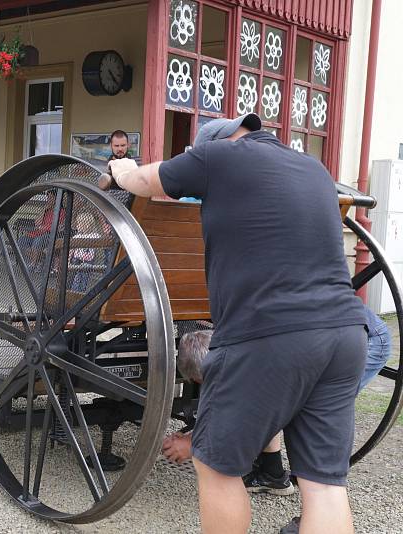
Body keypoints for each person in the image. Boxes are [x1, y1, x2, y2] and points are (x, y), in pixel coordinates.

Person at [107, 112, 367, 534]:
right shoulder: (314, 168)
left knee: (215, 465)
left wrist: (123, 170)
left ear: (217, 143)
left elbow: (144, 183)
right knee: (322, 484)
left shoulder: (217, 157)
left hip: (268, 335)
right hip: (344, 333)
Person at [163, 305, 392, 498]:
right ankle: (273, 475)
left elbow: (254, 409)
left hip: (360, 337)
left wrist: (195, 443)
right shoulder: (239, 343)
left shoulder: (262, 356)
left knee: (312, 421)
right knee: (277, 401)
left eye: (205, 381)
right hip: (319, 331)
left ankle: (318, 508)